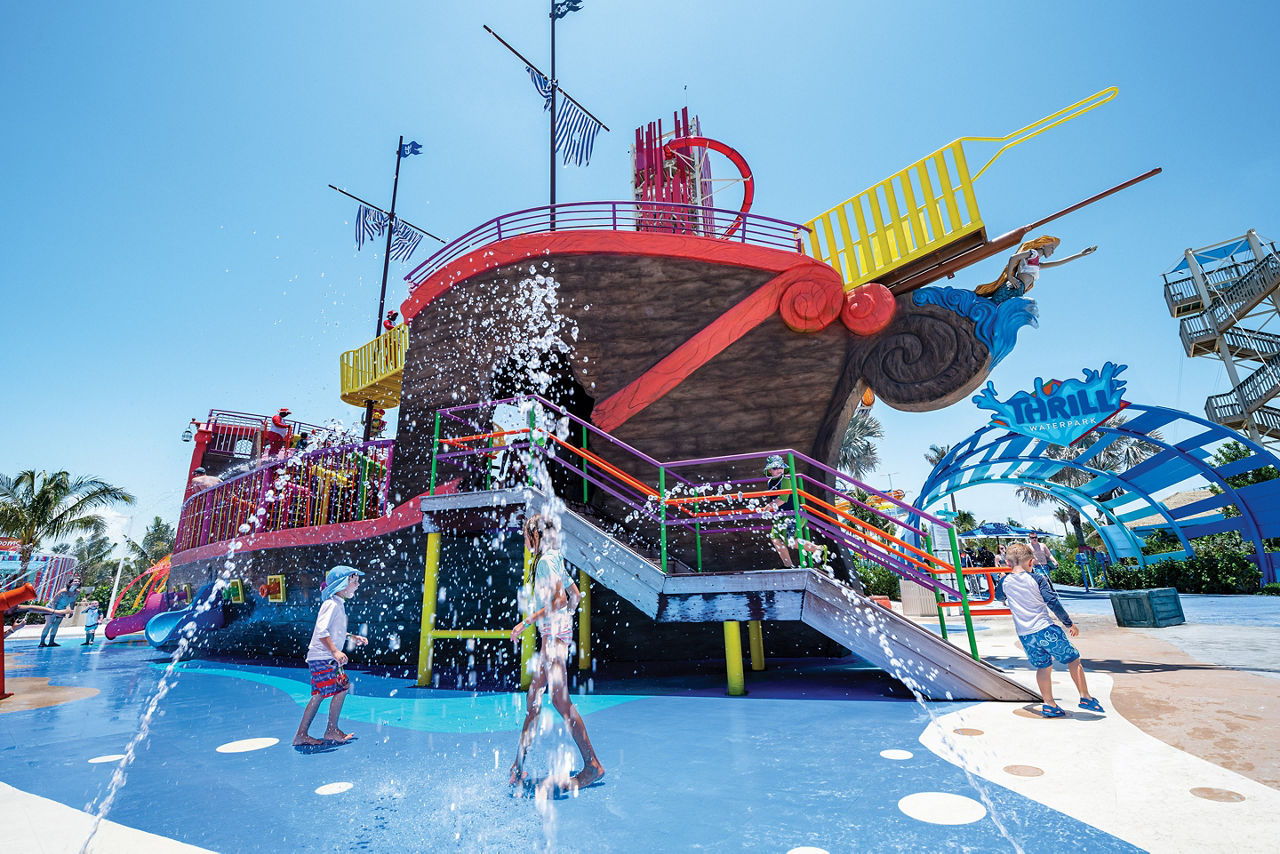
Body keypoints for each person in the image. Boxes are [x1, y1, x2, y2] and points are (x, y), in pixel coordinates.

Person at [508, 513, 604, 791]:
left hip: (553, 637)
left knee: (559, 701)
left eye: (526, 535)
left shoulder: (545, 562)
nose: (524, 540)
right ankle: (519, 766)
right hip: (555, 635)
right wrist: (564, 624)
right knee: (534, 699)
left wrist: (526, 622)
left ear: (535, 536)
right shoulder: (552, 557)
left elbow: (560, 598)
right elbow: (575, 596)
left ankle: (592, 766)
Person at [997, 543, 1104, 718]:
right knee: (1073, 659)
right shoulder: (1038, 579)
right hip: (1045, 629)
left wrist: (1003, 578)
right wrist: (1069, 624)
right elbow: (1052, 602)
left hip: (1025, 635)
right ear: (1031, 562)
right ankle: (1085, 697)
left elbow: (999, 597)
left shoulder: (1004, 582)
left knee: (1043, 666)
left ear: (1008, 563)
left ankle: (1049, 705)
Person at [293, 565, 368, 746]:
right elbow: (321, 630)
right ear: (342, 584)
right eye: (354, 581)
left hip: (323, 657)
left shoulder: (337, 604)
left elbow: (336, 630)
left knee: (320, 693)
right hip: (323, 657)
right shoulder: (331, 604)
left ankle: (304, 734)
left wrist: (352, 637)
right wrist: (335, 651)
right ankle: (329, 730)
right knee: (341, 687)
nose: (357, 585)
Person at [974, 235, 1096, 304]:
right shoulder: (1032, 253)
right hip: (1013, 287)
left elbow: (1059, 263)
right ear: (1043, 245)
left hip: (1019, 290)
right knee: (993, 305)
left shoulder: (1037, 264)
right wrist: (1010, 277)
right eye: (1052, 248)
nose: (1053, 252)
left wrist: (1080, 254)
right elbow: (1013, 258)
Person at [762, 455, 825, 568]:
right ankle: (788, 565)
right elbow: (774, 499)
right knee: (775, 538)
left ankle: (818, 548)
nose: (778, 470)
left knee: (789, 540)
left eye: (780, 467)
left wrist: (768, 507)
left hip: (794, 514)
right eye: (775, 468)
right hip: (782, 516)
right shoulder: (770, 482)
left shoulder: (785, 480)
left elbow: (783, 499)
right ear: (770, 470)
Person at [39, 579, 80, 647]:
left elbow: (73, 601)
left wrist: (71, 611)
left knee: (56, 625)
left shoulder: (77, 592)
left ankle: (51, 642)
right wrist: (54, 612)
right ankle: (42, 642)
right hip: (51, 608)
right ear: (70, 583)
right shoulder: (63, 591)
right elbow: (54, 601)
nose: (77, 582)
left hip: (62, 609)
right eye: (75, 581)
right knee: (49, 624)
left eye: (78, 581)